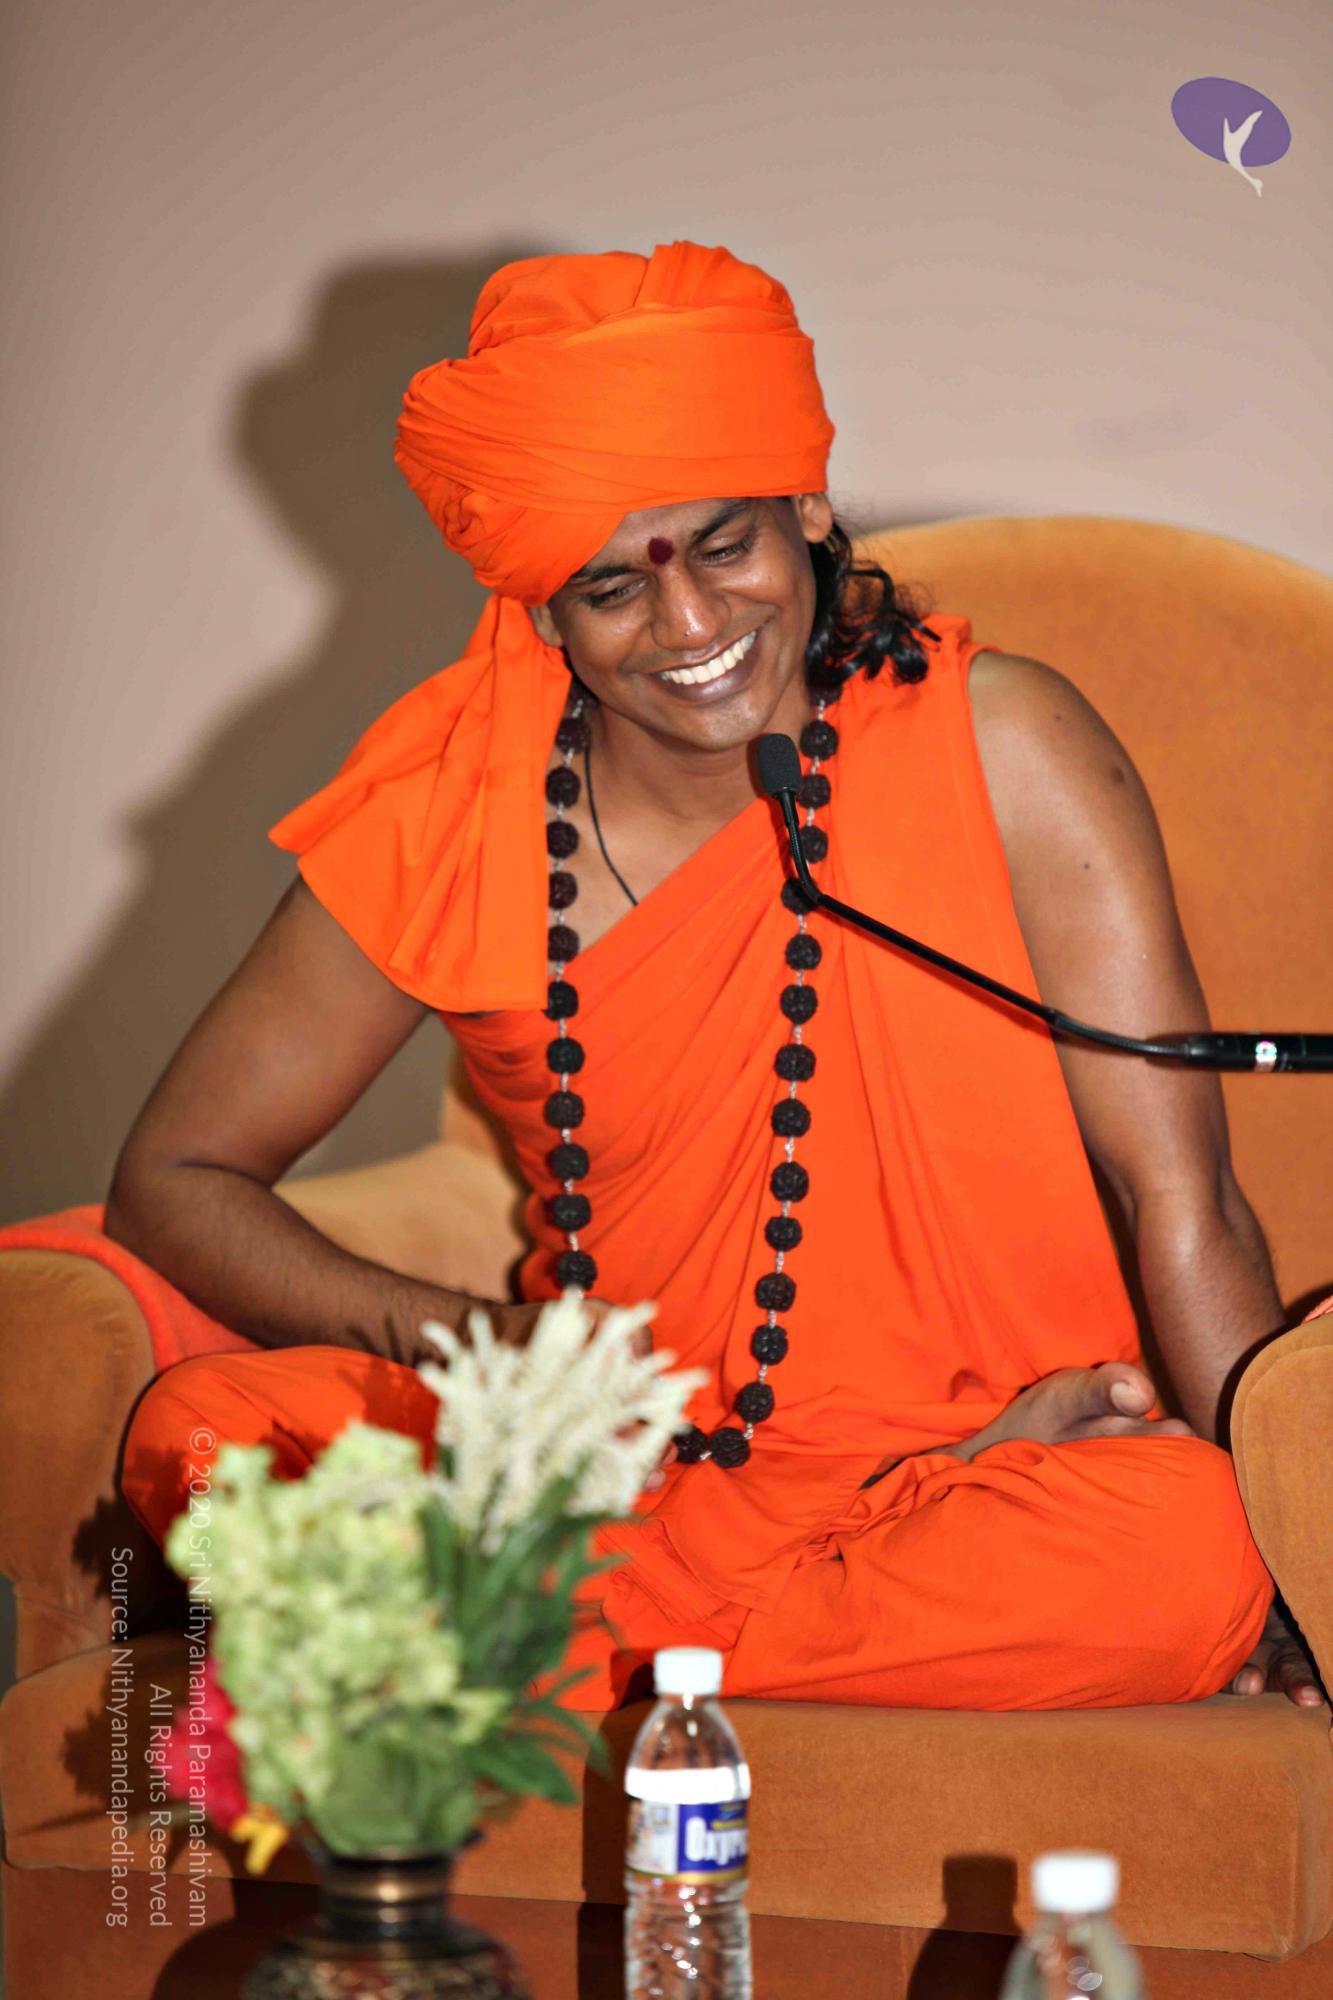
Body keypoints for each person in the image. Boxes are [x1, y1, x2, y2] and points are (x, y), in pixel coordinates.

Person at [112, 239, 1320, 1713]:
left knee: (1187, 1546)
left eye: (724, 546)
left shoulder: (1004, 746)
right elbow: (175, 1178)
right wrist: (479, 1342)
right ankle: (680, 1632)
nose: (688, 628)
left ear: (806, 506)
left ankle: (502, 1660)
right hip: (614, 1469)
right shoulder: (457, 816)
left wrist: (1297, 1569)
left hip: (1004, 1462)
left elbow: (1179, 1192)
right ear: (541, 606)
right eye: (609, 586)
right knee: (199, 1434)